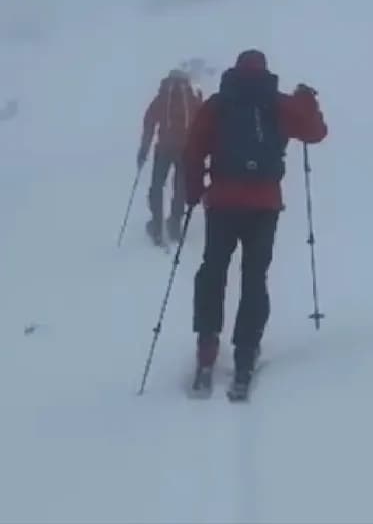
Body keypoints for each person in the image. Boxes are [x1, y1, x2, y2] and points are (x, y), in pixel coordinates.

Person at [182, 49, 328, 395]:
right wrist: (307, 101)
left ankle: (206, 349)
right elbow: (315, 132)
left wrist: (193, 192)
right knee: (254, 276)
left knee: (213, 270)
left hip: (222, 203)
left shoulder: (218, 105)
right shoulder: (277, 103)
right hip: (264, 205)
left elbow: (193, 149)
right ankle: (245, 355)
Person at [137, 69, 203, 244]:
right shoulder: (192, 98)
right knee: (180, 186)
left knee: (157, 185)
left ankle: (157, 224)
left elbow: (149, 122)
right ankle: (175, 223)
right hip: (186, 150)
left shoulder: (162, 97)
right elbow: (202, 122)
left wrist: (143, 150)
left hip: (164, 148)